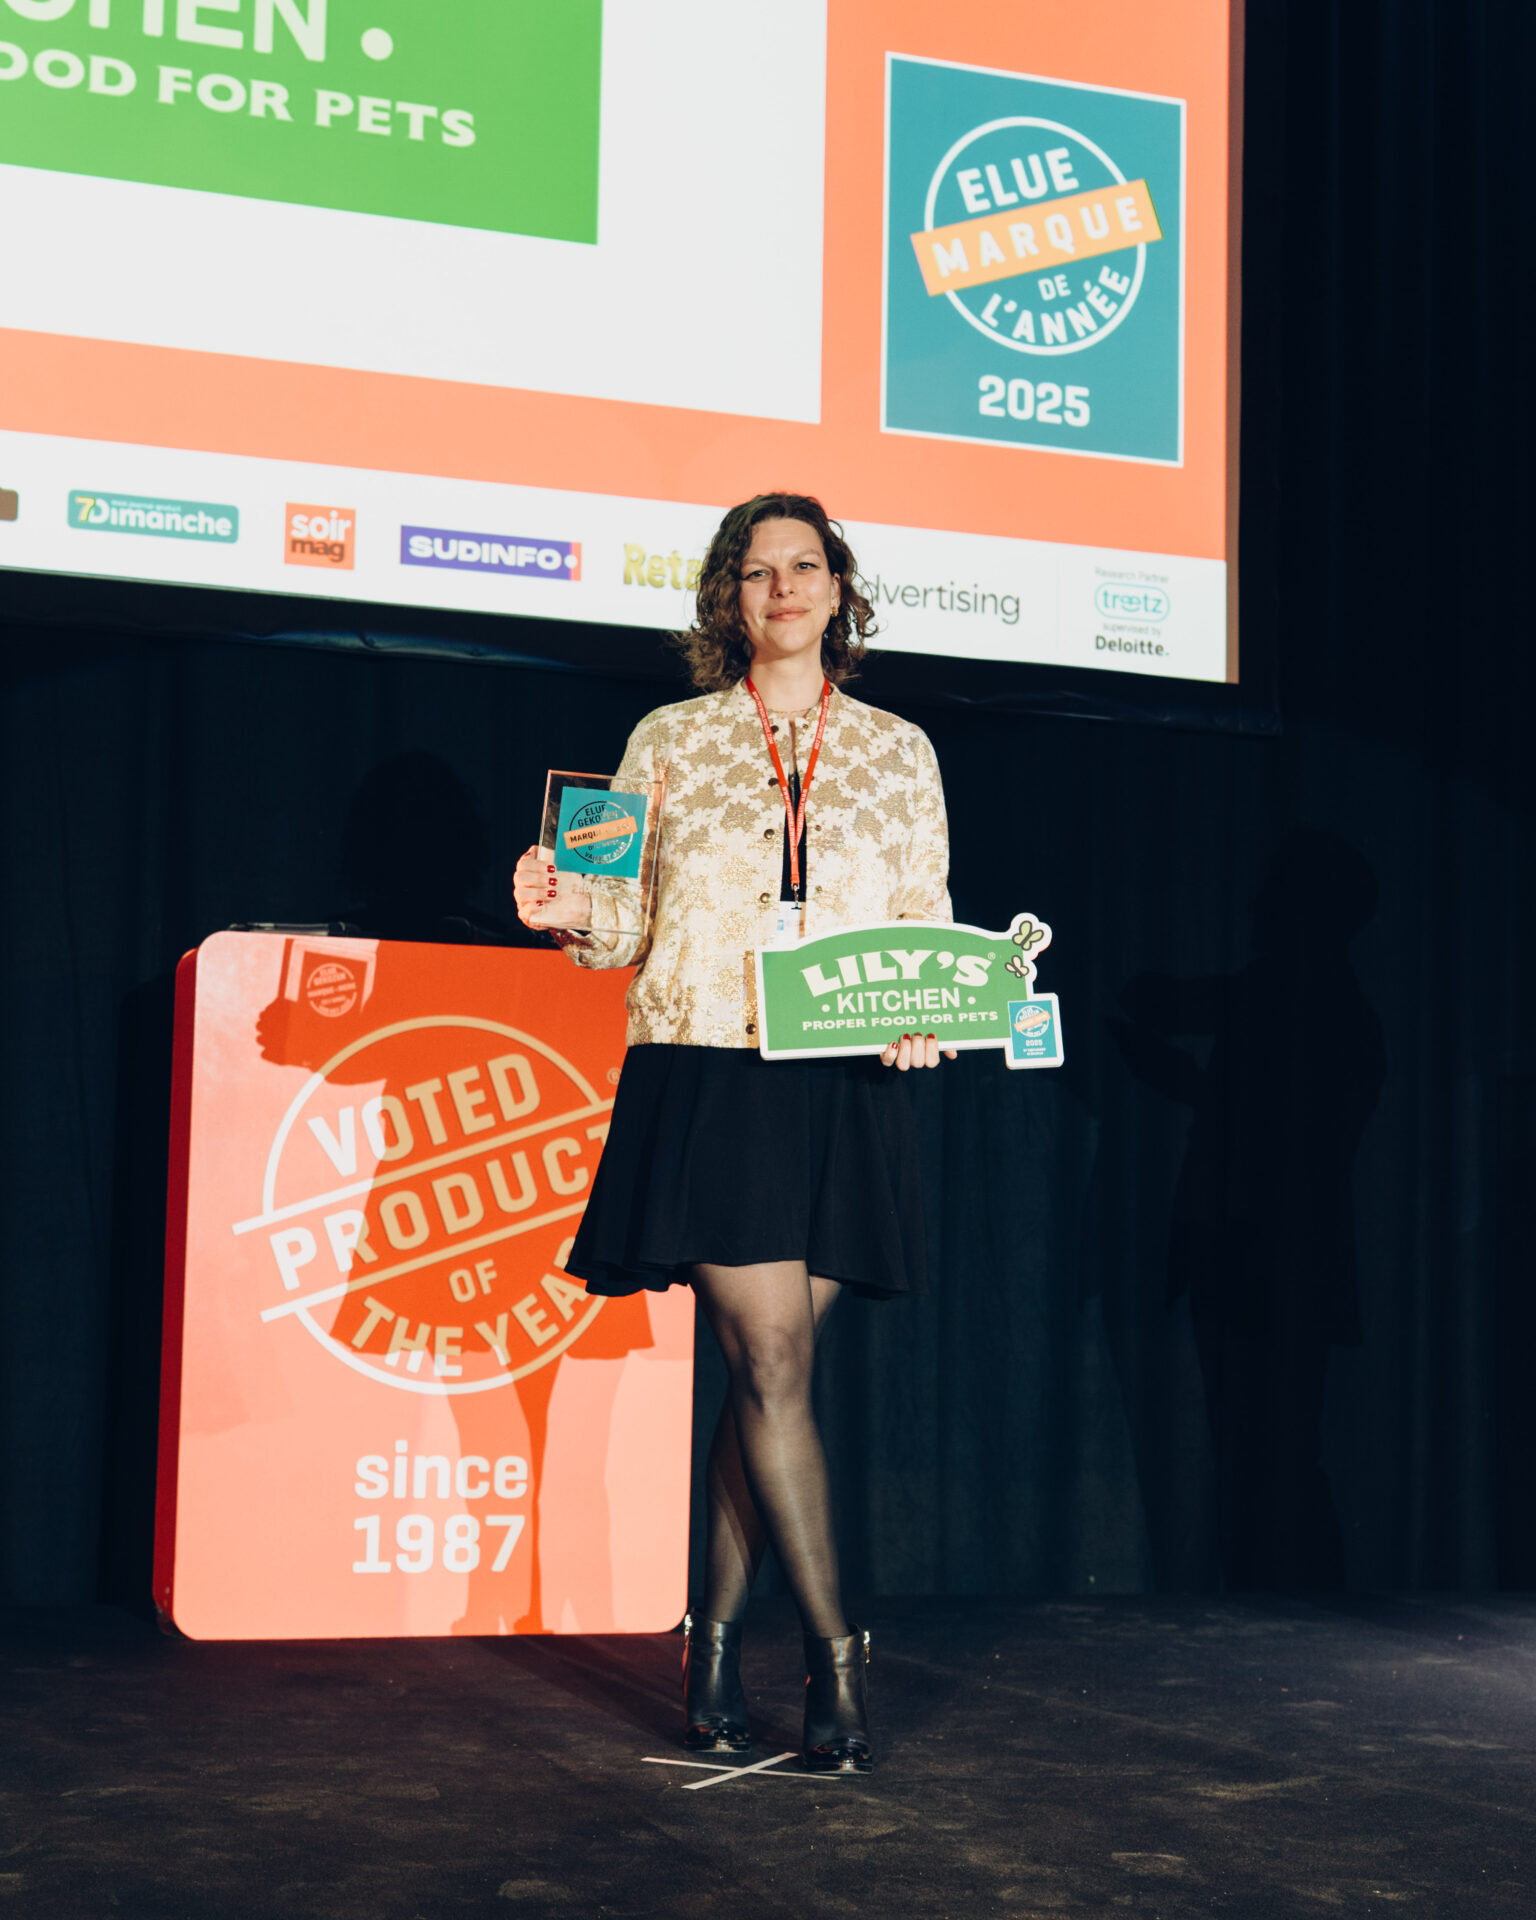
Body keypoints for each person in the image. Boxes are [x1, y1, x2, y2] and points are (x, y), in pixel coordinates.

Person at [513, 492, 954, 1774]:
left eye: (806, 567)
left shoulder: (900, 750)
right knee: (770, 1359)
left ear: (838, 588)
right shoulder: (668, 738)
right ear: (730, 598)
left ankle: (707, 1642)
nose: (785, 588)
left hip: (843, 1082)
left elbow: (925, 918)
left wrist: (924, 1011)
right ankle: (836, 1655)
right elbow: (617, 929)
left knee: (770, 1384)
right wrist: (561, 905)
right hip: (711, 1073)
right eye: (759, 572)